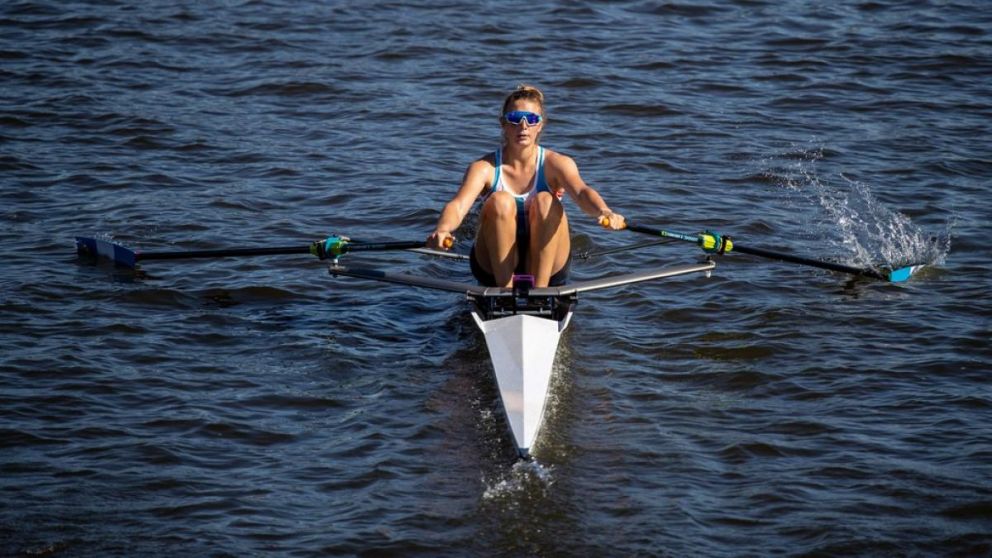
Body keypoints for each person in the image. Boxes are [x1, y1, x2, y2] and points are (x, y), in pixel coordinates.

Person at [427, 84, 626, 288]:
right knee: (500, 200)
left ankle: (539, 293)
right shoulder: (483, 168)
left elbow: (581, 192)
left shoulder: (556, 164)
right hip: (492, 265)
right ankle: (504, 291)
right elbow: (459, 205)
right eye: (515, 119)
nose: (523, 127)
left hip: (549, 264)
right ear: (503, 124)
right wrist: (443, 229)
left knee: (545, 200)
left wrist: (604, 211)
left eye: (531, 120)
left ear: (540, 125)